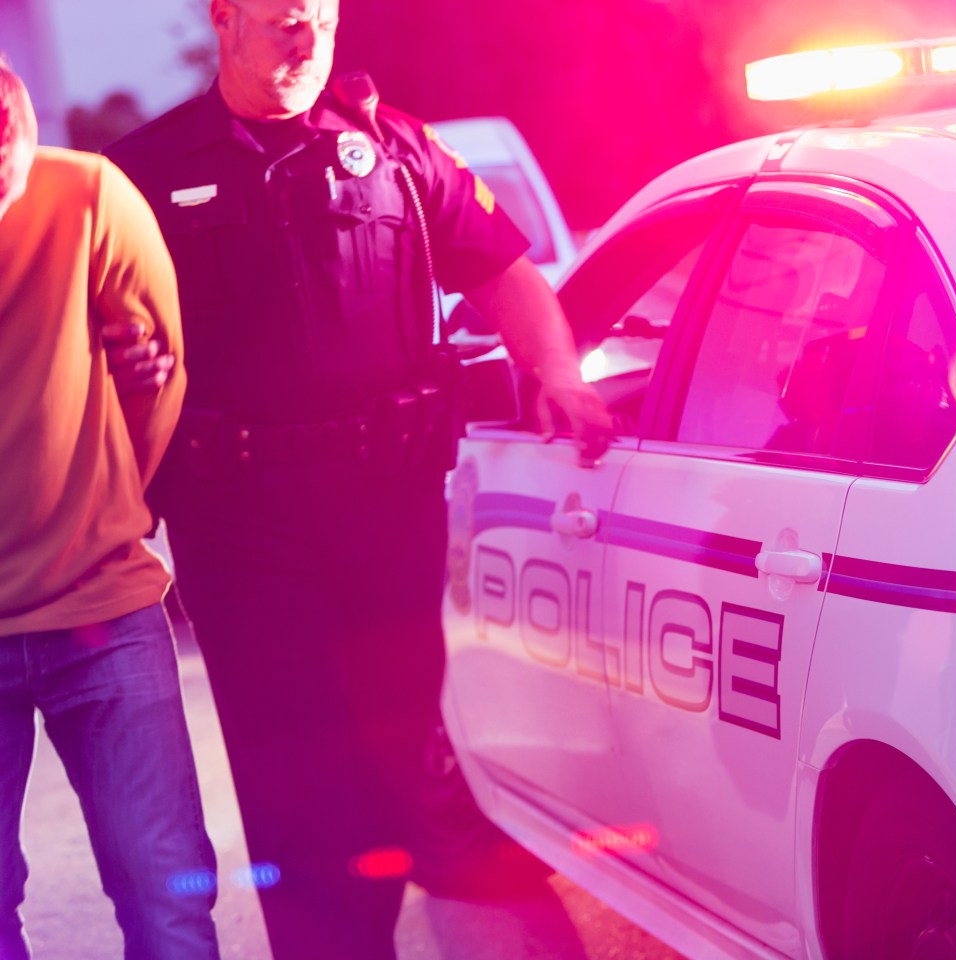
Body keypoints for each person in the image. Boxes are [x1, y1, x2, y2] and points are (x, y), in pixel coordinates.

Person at [103, 2, 614, 958]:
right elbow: (90, 321)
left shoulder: (396, 151)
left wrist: (558, 375)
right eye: (283, 23)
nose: (307, 44)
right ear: (225, 19)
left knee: (397, 765)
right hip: (240, 525)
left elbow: (504, 271)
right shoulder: (143, 172)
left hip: (388, 511)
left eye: (321, 22)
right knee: (293, 784)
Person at [0, 60, 221, 960]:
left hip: (102, 611)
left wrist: (92, 507)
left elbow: (156, 383)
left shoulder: (90, 194)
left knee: (166, 897)